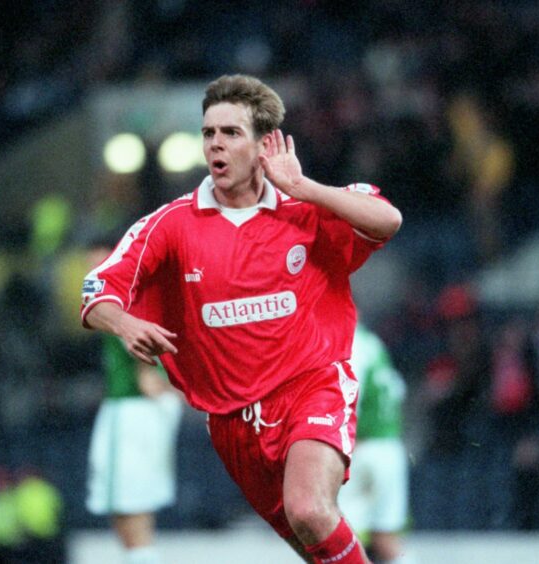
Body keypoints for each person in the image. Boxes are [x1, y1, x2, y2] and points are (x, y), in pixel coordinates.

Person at [80, 74, 402, 563]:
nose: (216, 143)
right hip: (232, 421)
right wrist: (125, 324)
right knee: (310, 541)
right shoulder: (171, 225)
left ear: (263, 144)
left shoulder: (304, 207)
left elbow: (387, 219)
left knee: (311, 510)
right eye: (209, 132)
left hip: (311, 385)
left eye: (231, 132)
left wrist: (304, 186)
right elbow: (96, 288)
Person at [85, 242, 183, 564]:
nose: (92, 266)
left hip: (133, 410)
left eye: (99, 257)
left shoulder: (128, 294)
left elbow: (148, 369)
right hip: (137, 409)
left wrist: (156, 381)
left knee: (131, 510)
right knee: (127, 511)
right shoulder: (135, 289)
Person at [338, 323, 410, 564]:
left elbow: (350, 395)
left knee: (342, 539)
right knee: (386, 539)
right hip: (389, 445)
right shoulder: (373, 343)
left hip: (362, 449)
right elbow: (398, 390)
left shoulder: (350, 343)